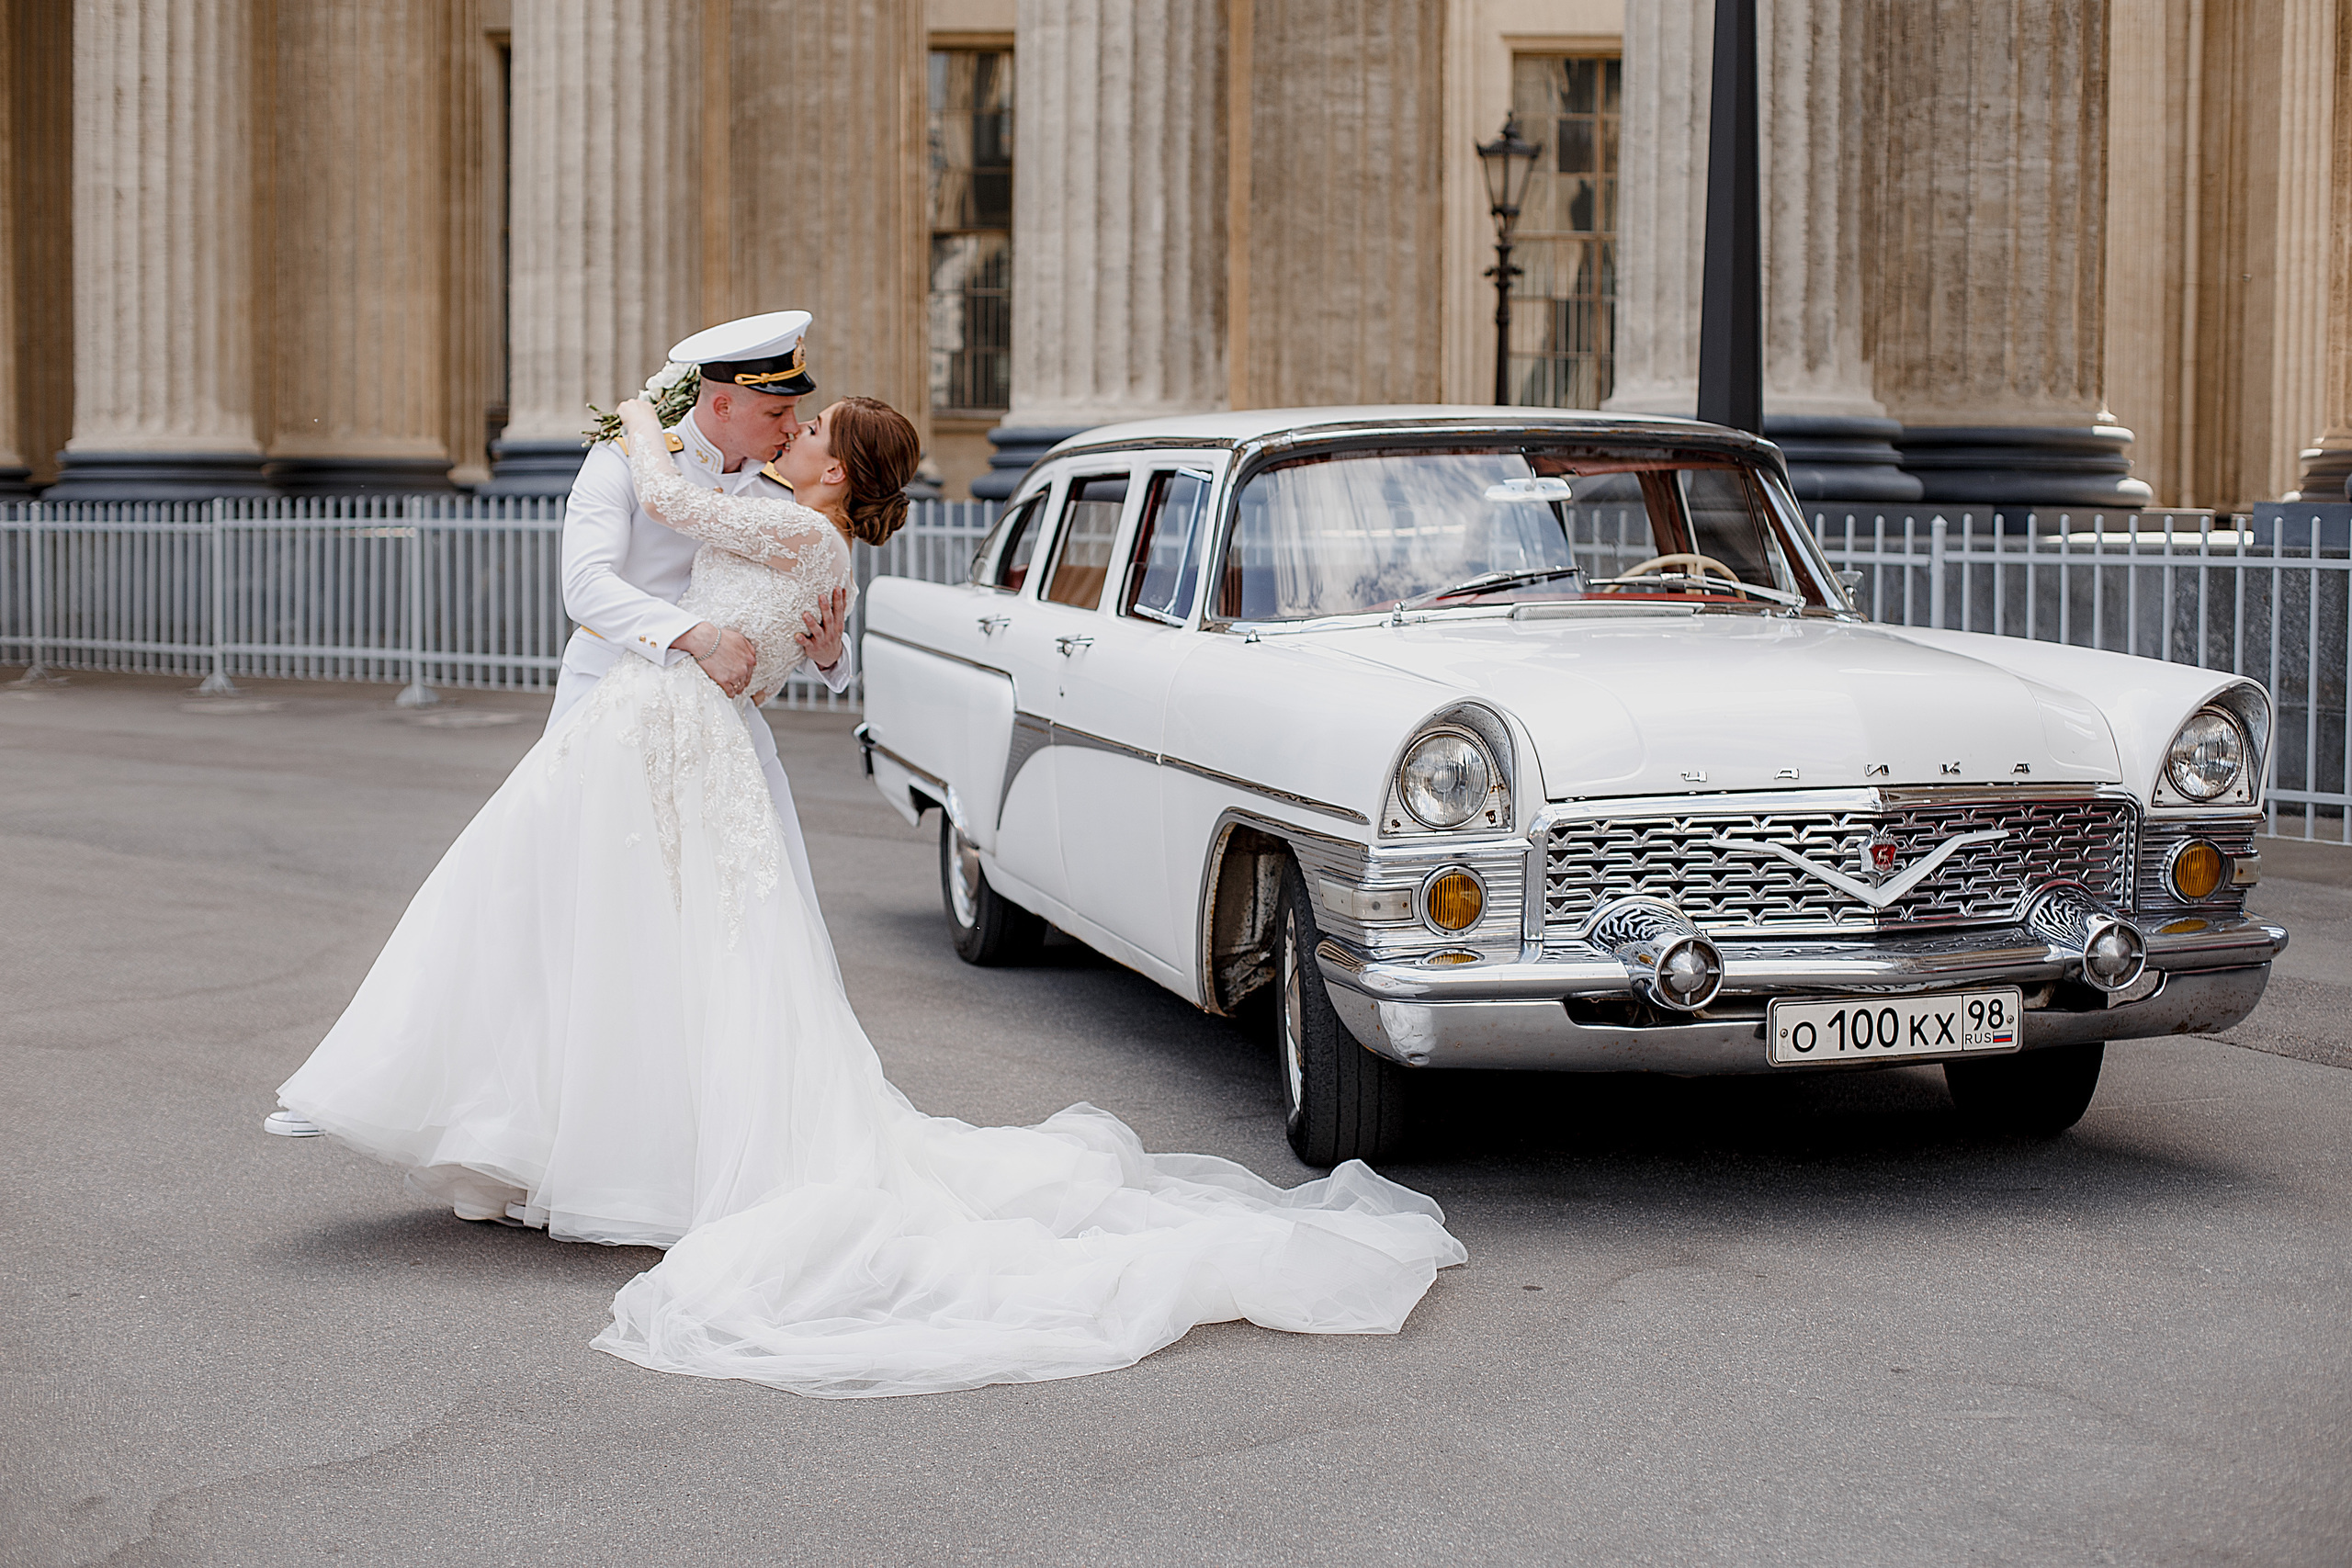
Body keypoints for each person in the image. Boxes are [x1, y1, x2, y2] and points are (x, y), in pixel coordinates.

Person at [269, 391, 1465, 1399]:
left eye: (807, 430)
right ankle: (610, 1142)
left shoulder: (798, 529)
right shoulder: (808, 535)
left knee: (678, 947)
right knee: (665, 946)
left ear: (833, 468)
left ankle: (635, 1149)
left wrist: (637, 420)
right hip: (674, 735)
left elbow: (677, 506)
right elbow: (786, 620)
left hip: (683, 732)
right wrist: (823, 640)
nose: (789, 434)